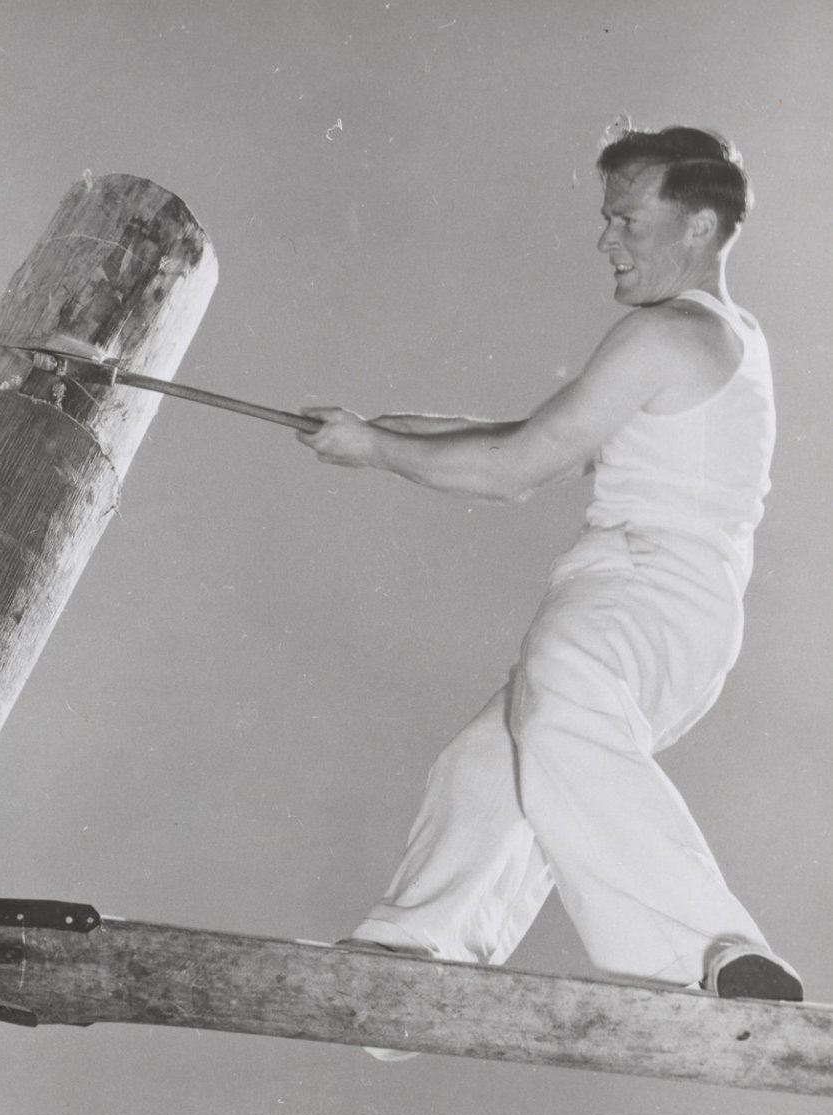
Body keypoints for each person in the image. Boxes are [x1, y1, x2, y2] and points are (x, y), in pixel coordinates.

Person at [296, 124, 803, 1058]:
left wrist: (374, 450)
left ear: (696, 224)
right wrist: (387, 435)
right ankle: (417, 951)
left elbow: (519, 465)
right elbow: (547, 434)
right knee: (492, 763)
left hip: (643, 586)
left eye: (624, 219)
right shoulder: (721, 340)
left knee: (562, 697)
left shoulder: (665, 331)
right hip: (675, 611)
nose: (606, 240)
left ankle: (712, 947)